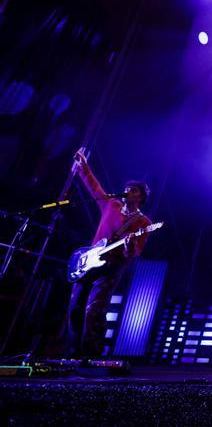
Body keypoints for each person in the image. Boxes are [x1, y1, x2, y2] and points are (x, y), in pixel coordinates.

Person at [66, 149, 152, 357]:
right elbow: (95, 188)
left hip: (112, 267)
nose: (128, 191)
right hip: (89, 262)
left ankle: (91, 354)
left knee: (93, 310)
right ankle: (70, 354)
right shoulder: (111, 205)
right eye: (127, 188)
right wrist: (83, 166)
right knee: (75, 308)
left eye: (133, 190)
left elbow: (134, 253)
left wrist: (128, 246)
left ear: (140, 197)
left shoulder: (143, 223)